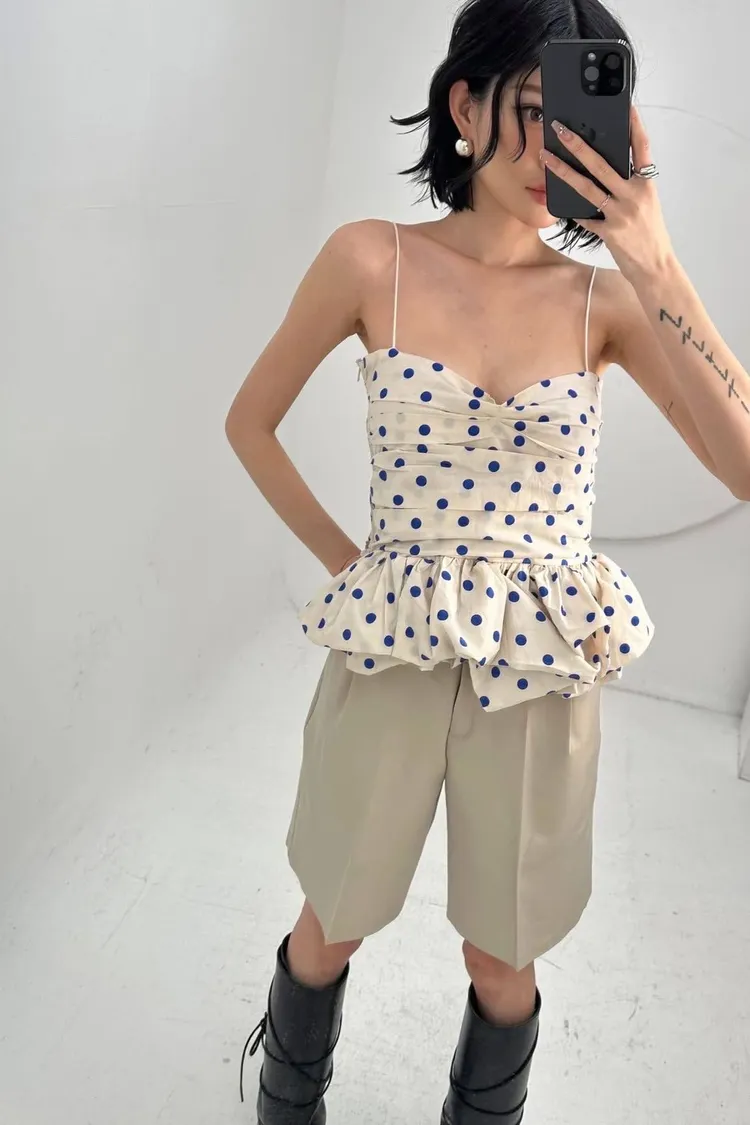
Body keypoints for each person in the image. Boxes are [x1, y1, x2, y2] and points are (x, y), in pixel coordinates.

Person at [225, 0, 707, 1119]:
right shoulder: (371, 259)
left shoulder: (606, 302)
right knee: (333, 916)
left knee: (505, 951)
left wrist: (658, 262)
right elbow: (250, 423)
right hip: (394, 650)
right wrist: (357, 572)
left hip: (542, 666)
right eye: (534, 111)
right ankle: (286, 1104)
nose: (556, 149)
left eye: (583, 119)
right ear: (464, 104)